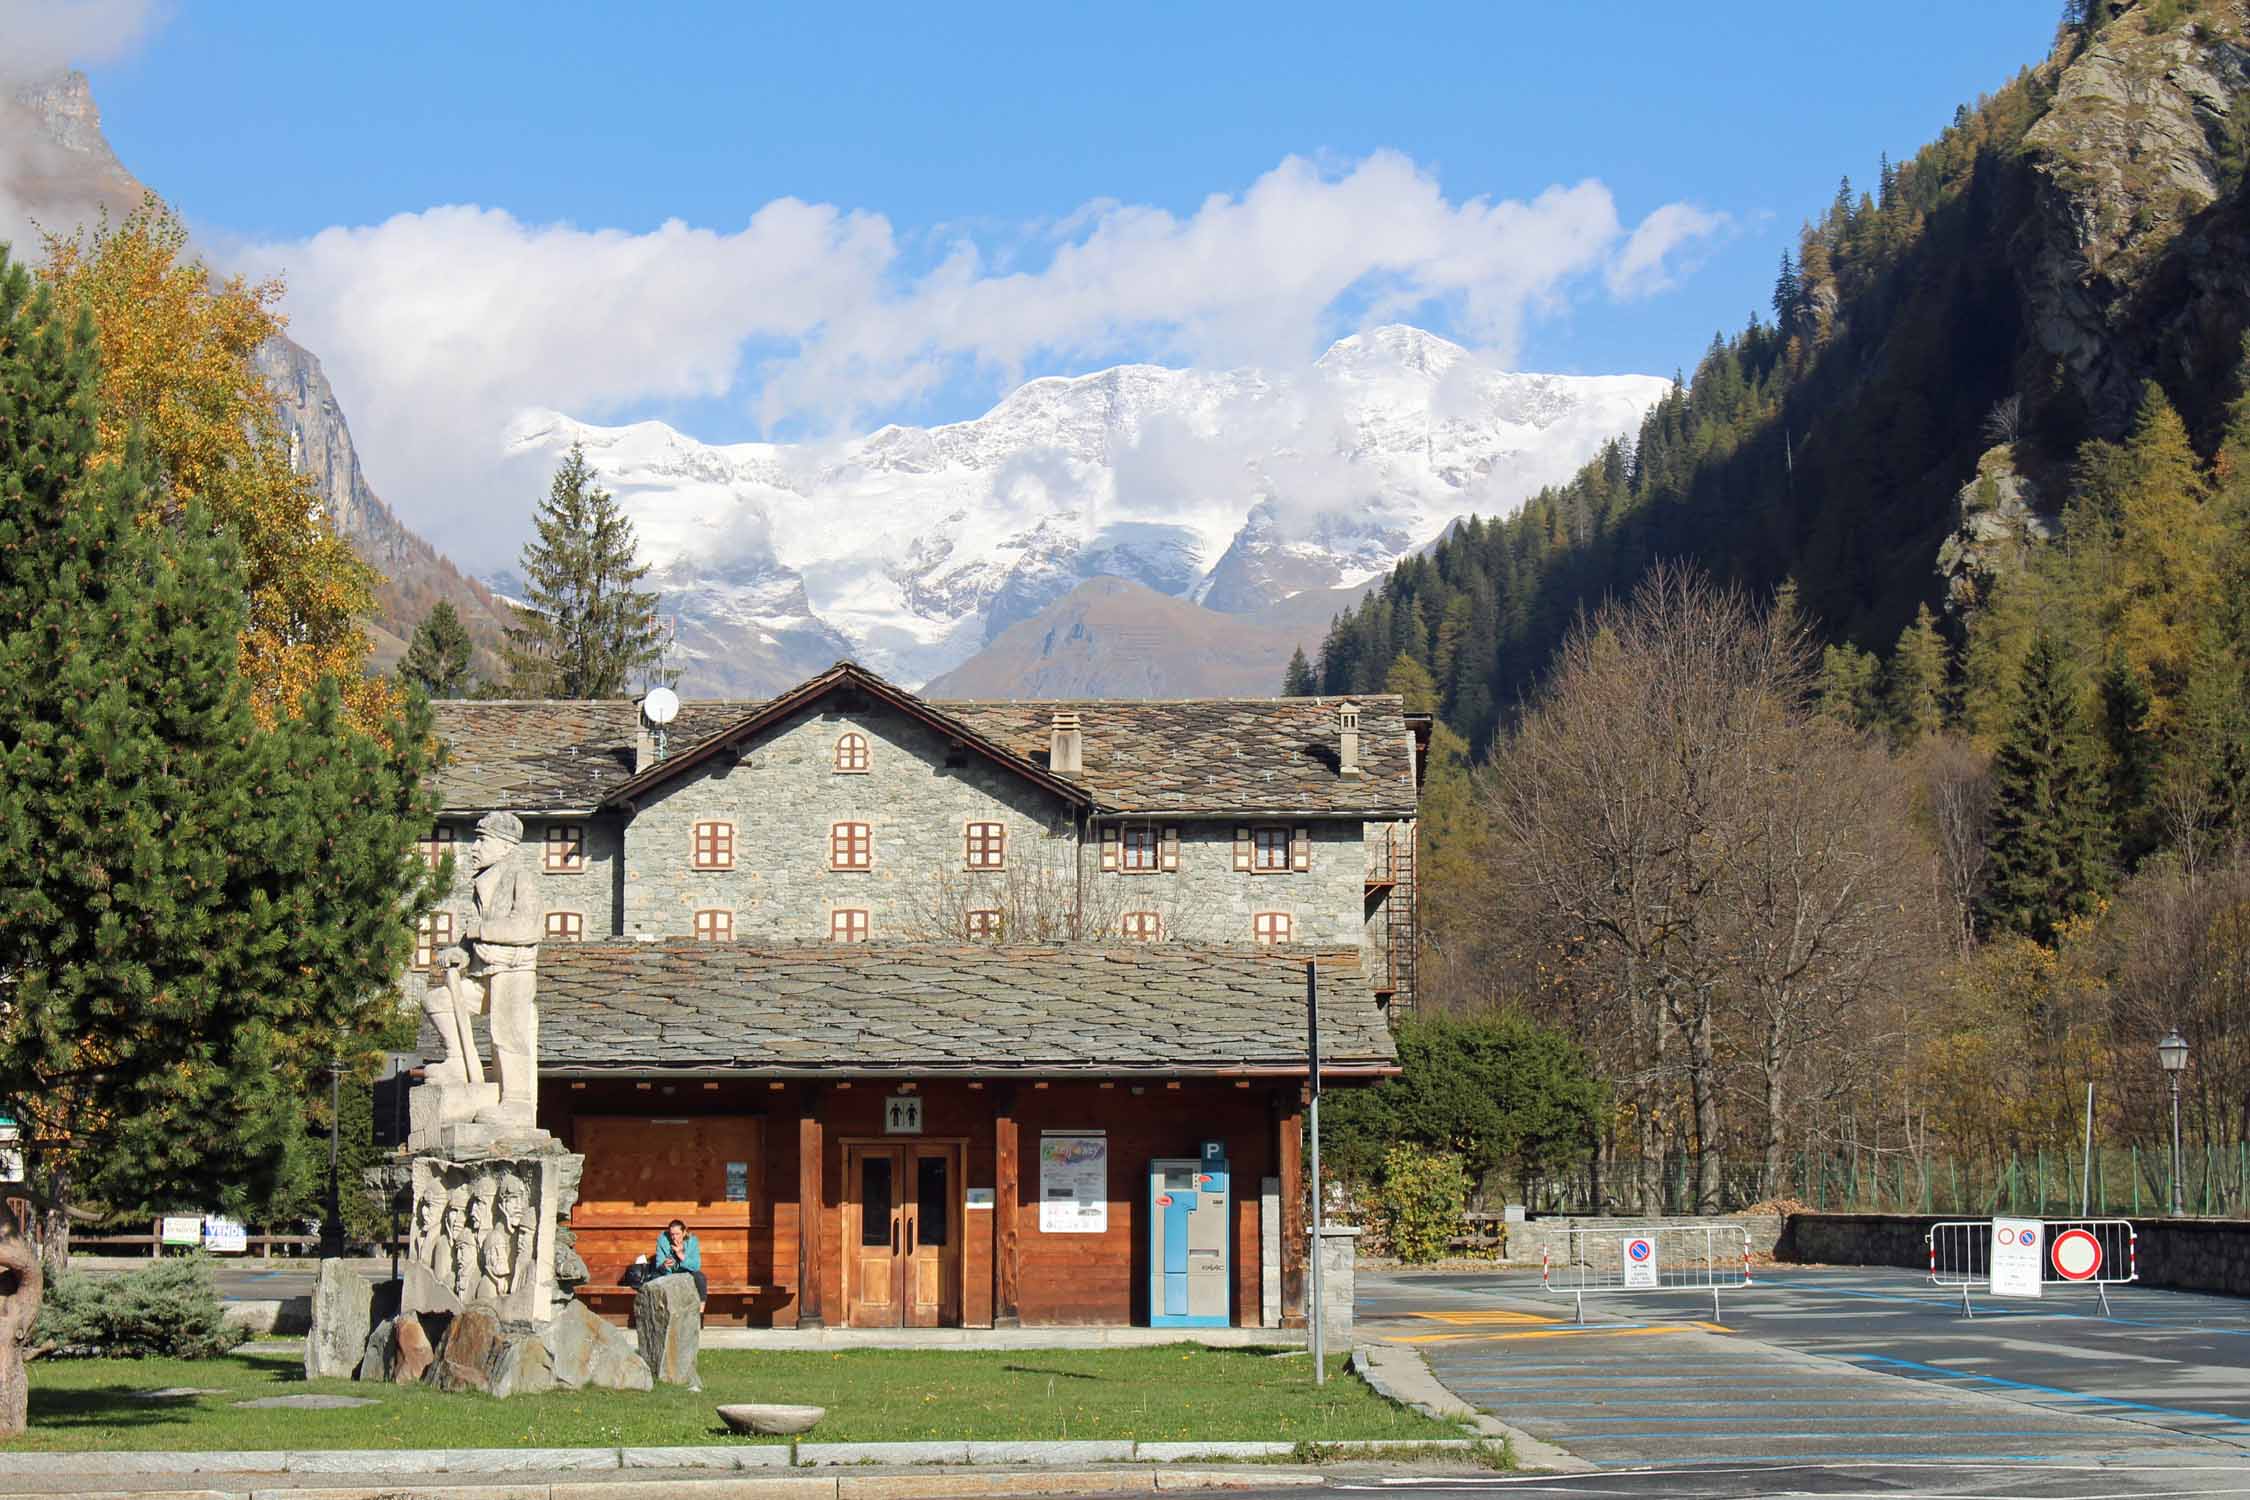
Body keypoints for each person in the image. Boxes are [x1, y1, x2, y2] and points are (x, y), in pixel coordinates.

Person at [651, 1218, 706, 1303]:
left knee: (700, 1277)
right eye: (672, 1234)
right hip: (669, 1273)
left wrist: (680, 1255)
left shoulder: (692, 1241)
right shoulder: (663, 1240)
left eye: (677, 1234)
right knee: (655, 1279)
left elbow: (696, 1266)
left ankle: (701, 1312)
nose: (674, 1237)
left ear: (684, 1233)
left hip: (686, 1273)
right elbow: (659, 1264)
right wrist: (664, 1266)